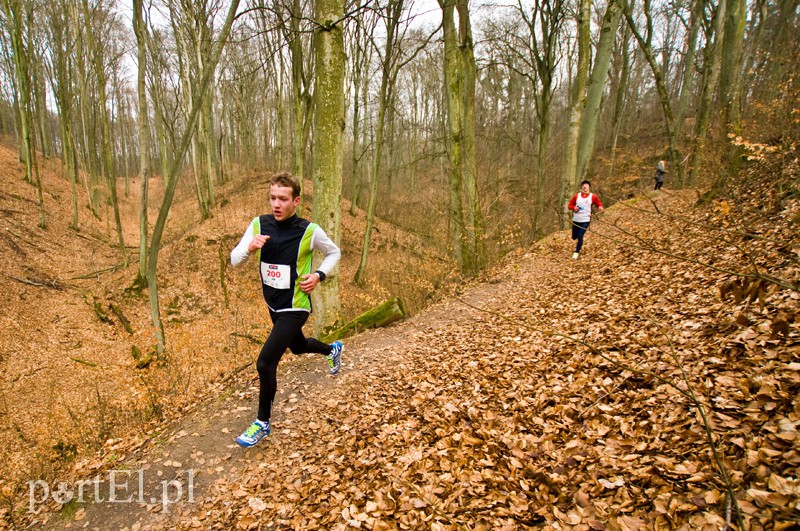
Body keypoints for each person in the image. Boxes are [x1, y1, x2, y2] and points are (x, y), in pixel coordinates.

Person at [230, 172, 343, 448]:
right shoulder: (259, 224)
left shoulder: (309, 230)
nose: (276, 204)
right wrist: (249, 248)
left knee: (265, 362)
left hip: (296, 305)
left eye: (283, 199)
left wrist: (318, 275)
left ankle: (262, 423)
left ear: (296, 201)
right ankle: (332, 350)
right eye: (272, 198)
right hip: (273, 304)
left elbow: (334, 252)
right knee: (299, 346)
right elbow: (234, 260)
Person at [567, 180, 604, 259]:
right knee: (574, 237)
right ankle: (577, 242)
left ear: (589, 187)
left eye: (586, 185)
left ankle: (576, 252)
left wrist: (600, 207)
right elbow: (569, 205)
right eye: (583, 185)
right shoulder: (577, 196)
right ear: (581, 187)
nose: (584, 186)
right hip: (576, 219)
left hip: (585, 220)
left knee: (580, 236)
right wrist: (574, 208)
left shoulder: (593, 196)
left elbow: (598, 204)